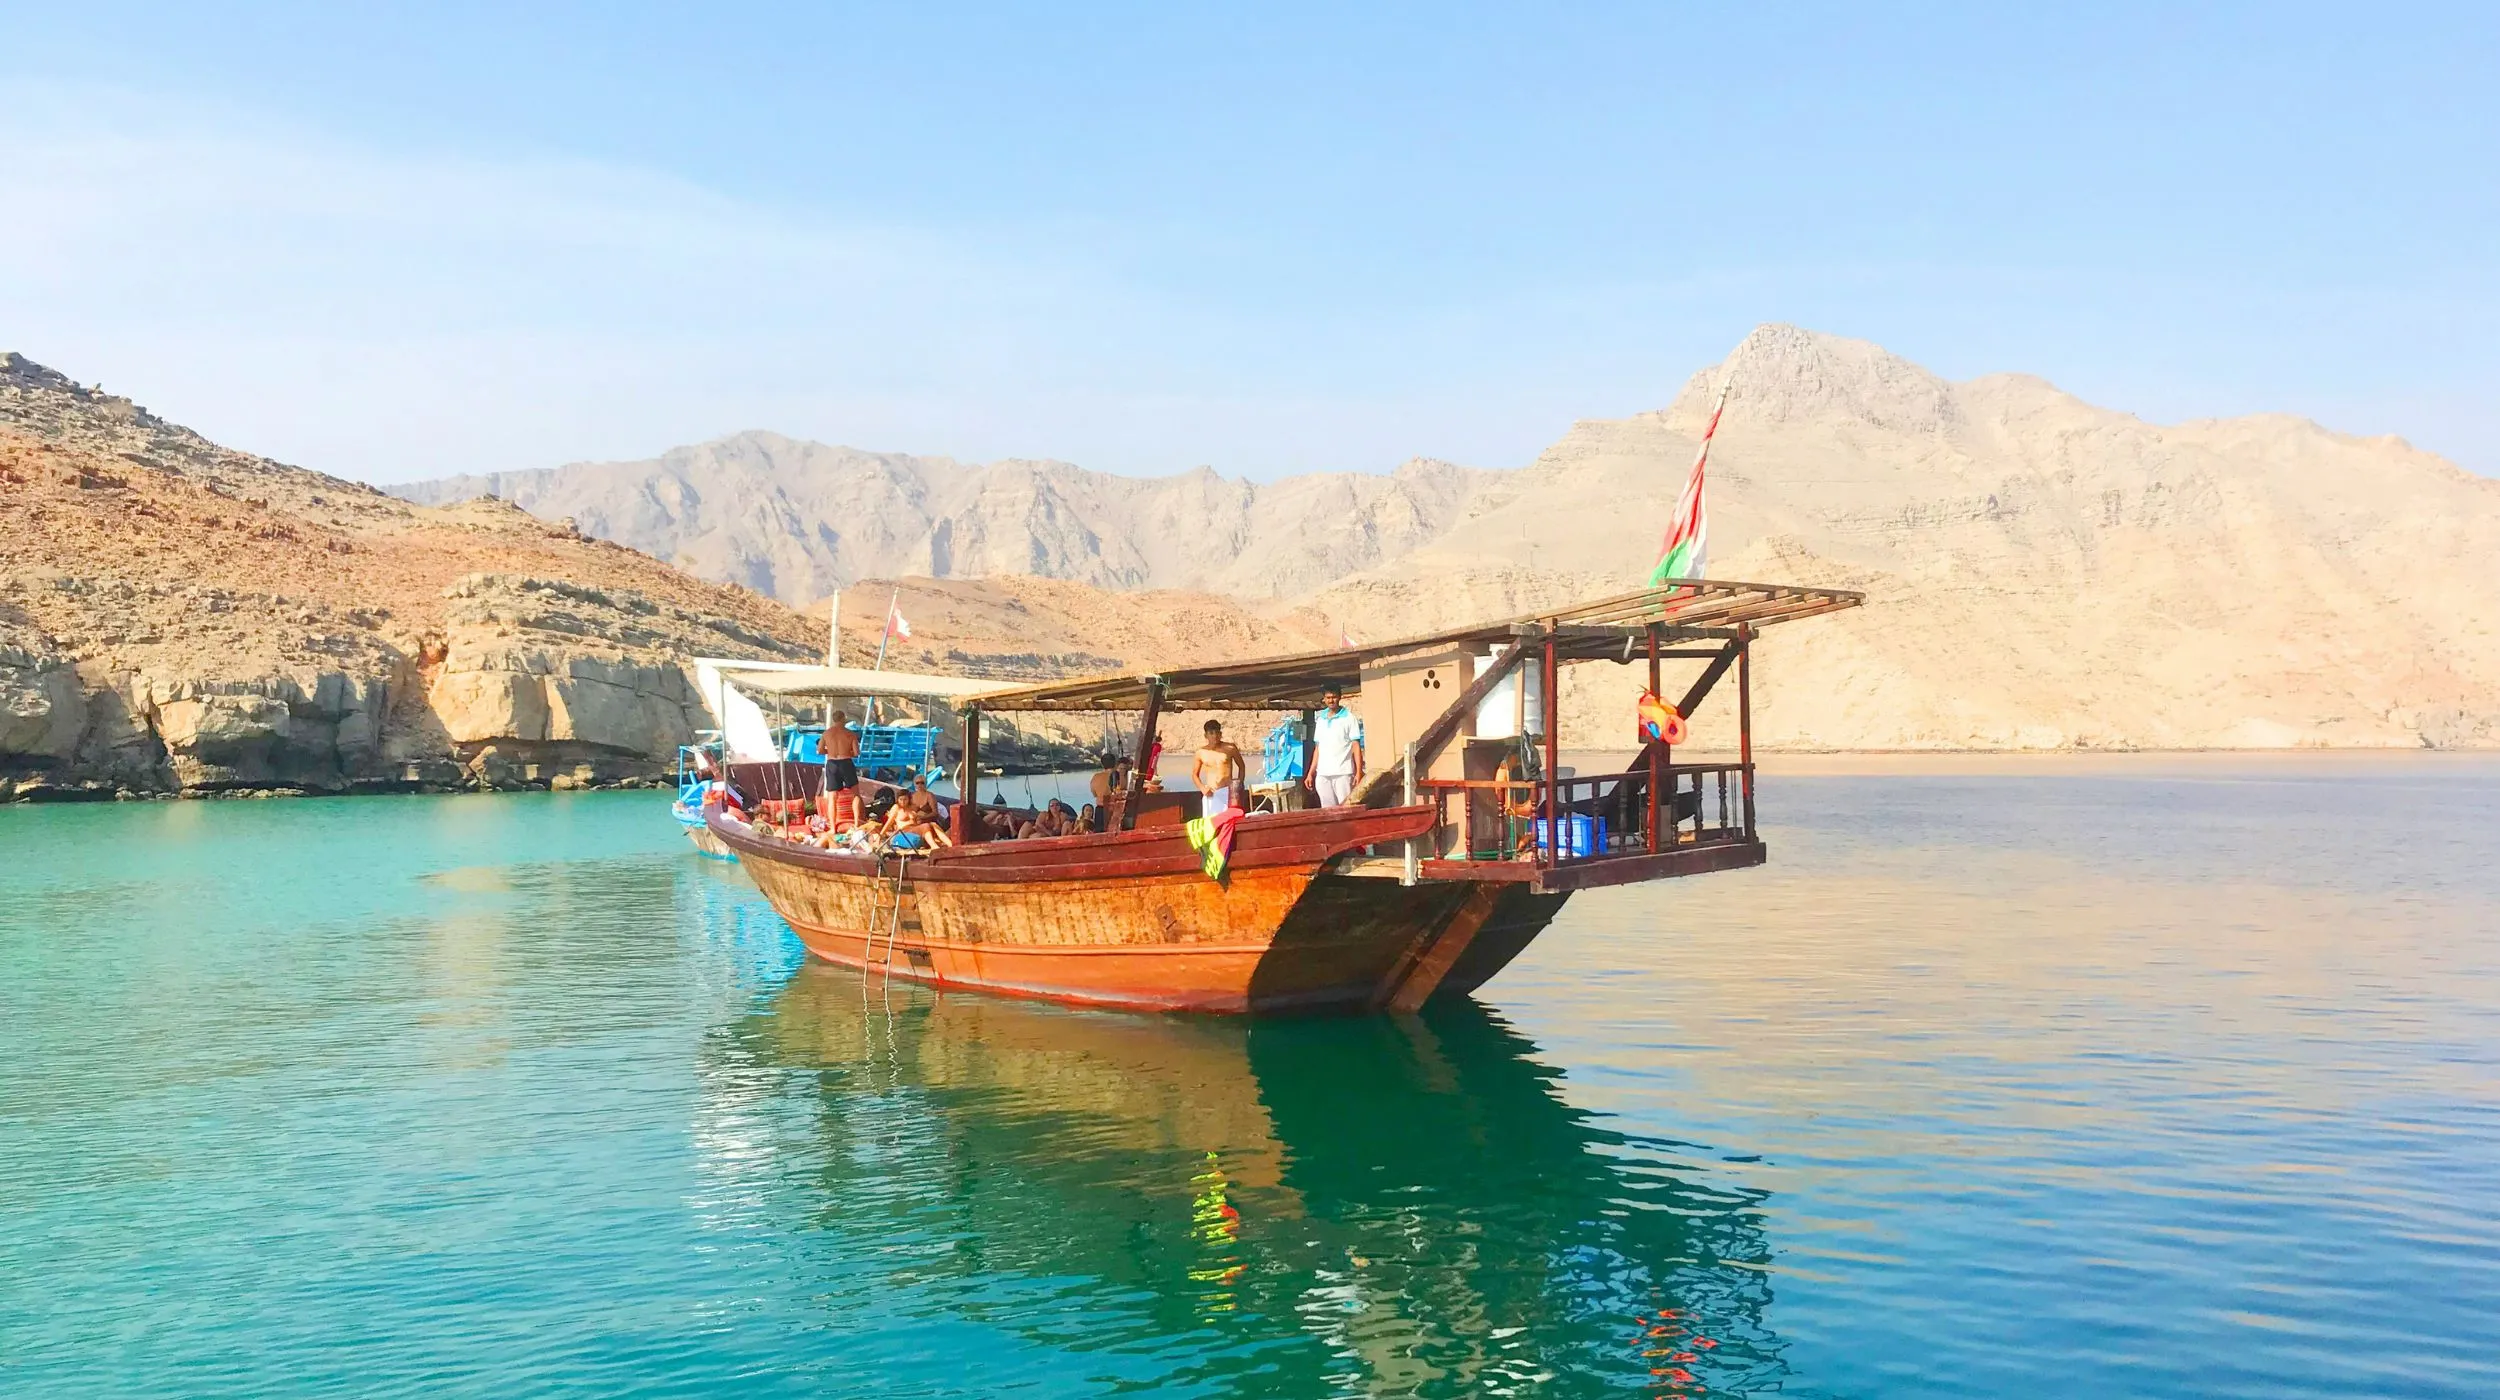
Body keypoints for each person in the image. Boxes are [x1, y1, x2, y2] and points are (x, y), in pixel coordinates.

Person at [1308, 683, 1364, 807]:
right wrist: (1310, 773)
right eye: (1328, 698)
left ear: (1339, 697)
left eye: (1333, 697)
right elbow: (1318, 748)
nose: (1331, 700)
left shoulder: (1349, 718)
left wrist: (1358, 772)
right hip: (1322, 774)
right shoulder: (1321, 719)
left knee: (1346, 808)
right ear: (1324, 699)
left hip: (1343, 773)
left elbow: (1356, 746)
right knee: (1327, 811)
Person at [1194, 719, 1246, 820]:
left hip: (1228, 791)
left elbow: (1241, 766)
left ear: (1221, 734)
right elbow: (1194, 774)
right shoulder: (1201, 752)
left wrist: (1239, 785)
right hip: (1211, 792)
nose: (1215, 736)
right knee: (1212, 823)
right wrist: (1202, 788)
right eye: (1211, 733)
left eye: (1217, 733)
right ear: (1206, 735)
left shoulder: (1230, 748)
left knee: (1230, 821)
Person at [821, 707, 860, 794]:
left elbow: (819, 751)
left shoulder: (826, 733)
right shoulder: (850, 734)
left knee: (832, 796)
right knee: (856, 794)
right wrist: (846, 753)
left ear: (834, 720)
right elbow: (856, 753)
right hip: (846, 763)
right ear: (843, 719)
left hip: (832, 763)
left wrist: (830, 752)